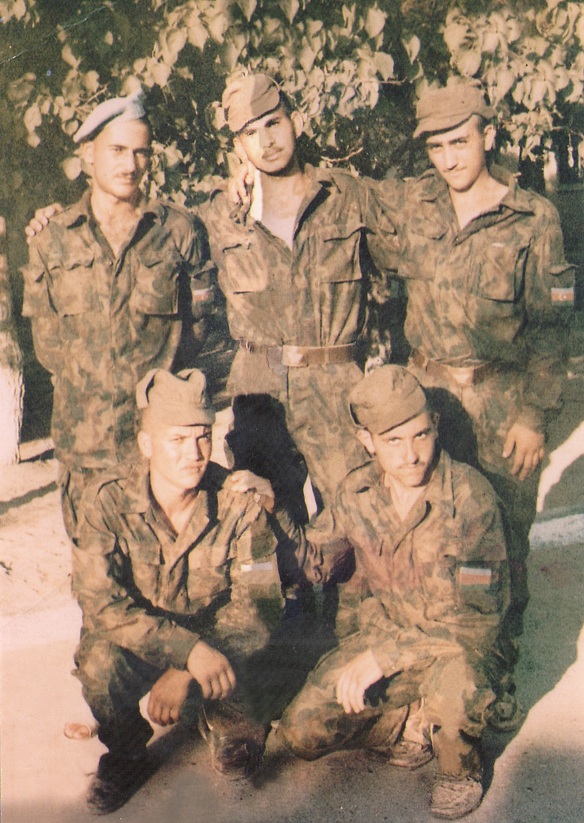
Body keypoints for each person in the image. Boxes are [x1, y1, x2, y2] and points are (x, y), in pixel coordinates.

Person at [370, 82, 574, 726]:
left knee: (501, 545)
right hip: (428, 404)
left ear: (487, 134)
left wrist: (534, 417)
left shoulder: (533, 219)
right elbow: (341, 200)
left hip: (501, 405)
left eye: (459, 142)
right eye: (436, 147)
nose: (449, 158)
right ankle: (431, 671)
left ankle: (495, 671)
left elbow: (552, 329)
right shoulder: (416, 205)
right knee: (432, 539)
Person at [279, 365, 510, 820]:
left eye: (421, 435)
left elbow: (476, 622)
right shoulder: (357, 492)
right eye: (393, 441)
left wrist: (384, 659)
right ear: (367, 441)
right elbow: (316, 563)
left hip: (455, 647)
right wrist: (275, 512)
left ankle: (460, 766)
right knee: (301, 731)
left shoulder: (470, 498)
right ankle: (409, 717)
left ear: (435, 426)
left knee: (457, 694)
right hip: (387, 638)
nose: (411, 456)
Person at [73, 367, 301, 814]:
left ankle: (226, 717)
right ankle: (127, 754)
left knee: (241, 740)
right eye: (177, 440)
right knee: (99, 663)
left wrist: (187, 667)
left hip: (218, 642)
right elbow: (101, 604)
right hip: (145, 642)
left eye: (202, 437)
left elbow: (259, 606)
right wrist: (185, 652)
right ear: (146, 445)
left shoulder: (235, 498)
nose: (194, 454)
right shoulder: (105, 501)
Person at [21, 91, 215, 543]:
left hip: (158, 455)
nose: (131, 164)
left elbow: (197, 333)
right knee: (95, 576)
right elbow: (47, 348)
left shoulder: (180, 232)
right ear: (88, 155)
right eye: (118, 150)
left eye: (141, 152)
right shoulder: (52, 239)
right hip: (84, 452)